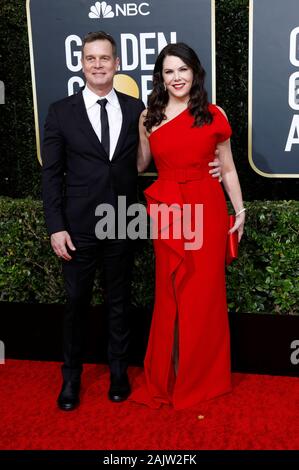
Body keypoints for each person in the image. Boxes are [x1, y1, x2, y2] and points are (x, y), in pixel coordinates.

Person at [42, 32, 223, 411]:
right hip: (77, 227)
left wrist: (213, 166)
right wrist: (56, 226)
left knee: (120, 301)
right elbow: (51, 174)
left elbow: (151, 158)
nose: (97, 64)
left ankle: (119, 374)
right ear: (81, 64)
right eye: (90, 58)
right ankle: (71, 379)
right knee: (76, 302)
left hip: (124, 220)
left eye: (104, 58)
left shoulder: (136, 109)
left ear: (116, 64)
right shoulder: (60, 111)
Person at [132, 42, 245, 410]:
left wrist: (239, 211)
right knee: (171, 293)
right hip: (167, 210)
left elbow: (226, 167)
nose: (176, 77)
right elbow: (138, 164)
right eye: (169, 71)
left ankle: (203, 378)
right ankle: (172, 374)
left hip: (207, 207)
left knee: (204, 294)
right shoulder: (149, 116)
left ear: (195, 72)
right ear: (160, 78)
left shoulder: (213, 113)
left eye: (183, 69)